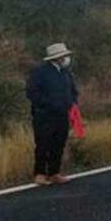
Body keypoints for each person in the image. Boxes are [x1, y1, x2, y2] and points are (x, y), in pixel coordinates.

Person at [25, 43, 79, 185]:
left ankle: (54, 172)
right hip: (44, 115)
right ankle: (40, 174)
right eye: (64, 56)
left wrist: (72, 103)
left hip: (62, 114)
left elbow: (73, 90)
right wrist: (47, 104)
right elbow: (32, 92)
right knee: (43, 143)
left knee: (59, 143)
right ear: (56, 58)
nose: (66, 58)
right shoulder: (40, 72)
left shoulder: (65, 73)